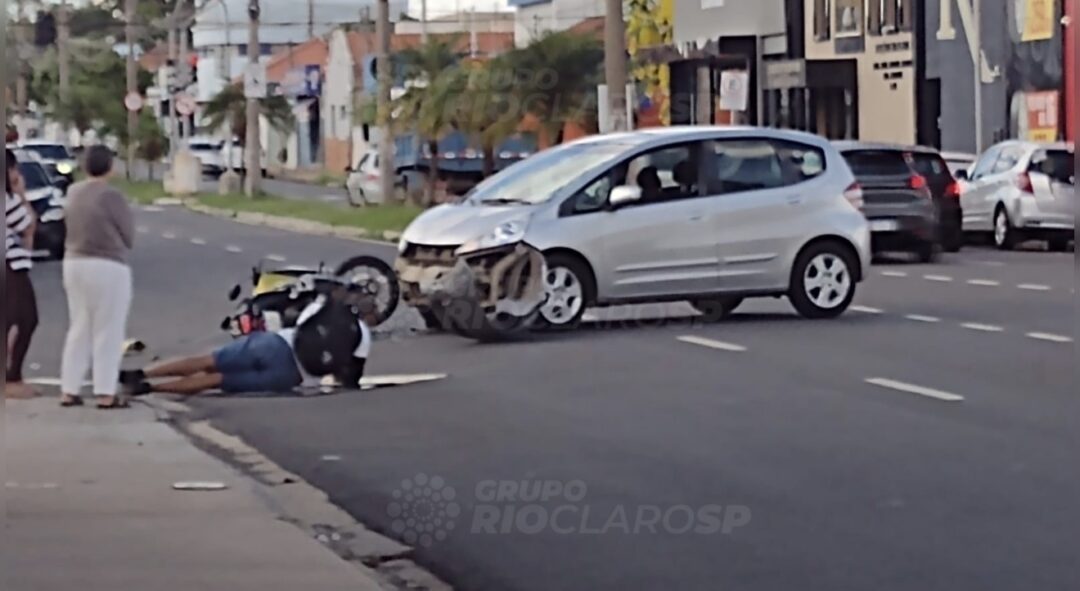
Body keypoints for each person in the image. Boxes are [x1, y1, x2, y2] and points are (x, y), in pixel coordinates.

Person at [121, 296, 371, 397]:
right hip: (292, 374)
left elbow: (299, 324)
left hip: (274, 344)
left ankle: (142, 373)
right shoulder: (364, 334)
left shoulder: (324, 307)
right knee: (217, 379)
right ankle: (150, 389)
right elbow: (351, 377)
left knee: (208, 361)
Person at [59, 145, 135, 409]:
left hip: (74, 262)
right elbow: (128, 235)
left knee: (79, 326)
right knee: (108, 329)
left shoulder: (73, 192)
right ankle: (105, 391)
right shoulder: (112, 196)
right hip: (108, 264)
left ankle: (69, 389)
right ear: (110, 167)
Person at [5, 149, 39, 399]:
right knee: (26, 319)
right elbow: (28, 227)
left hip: (12, 264)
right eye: (14, 169)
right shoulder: (7, 200)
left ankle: (12, 376)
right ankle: (12, 378)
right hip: (11, 267)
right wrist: (22, 195)